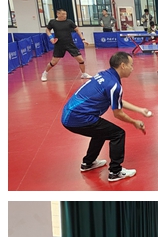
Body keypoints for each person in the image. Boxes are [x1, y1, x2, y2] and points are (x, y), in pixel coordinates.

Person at [60, 51, 151, 181]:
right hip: (78, 117)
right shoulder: (114, 85)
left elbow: (116, 100)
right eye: (131, 65)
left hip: (70, 113)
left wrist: (140, 110)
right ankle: (115, 172)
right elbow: (118, 113)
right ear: (123, 65)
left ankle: (88, 163)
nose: (132, 68)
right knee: (117, 134)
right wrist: (134, 122)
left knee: (101, 131)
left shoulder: (104, 75)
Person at [42, 9, 90, 81]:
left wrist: (83, 39)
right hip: (59, 44)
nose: (65, 16)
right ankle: (45, 73)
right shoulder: (52, 22)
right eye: (63, 14)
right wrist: (51, 38)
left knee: (80, 59)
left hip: (69, 43)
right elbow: (47, 30)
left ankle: (84, 74)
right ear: (58, 14)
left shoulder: (69, 22)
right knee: (54, 62)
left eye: (65, 14)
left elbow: (77, 29)